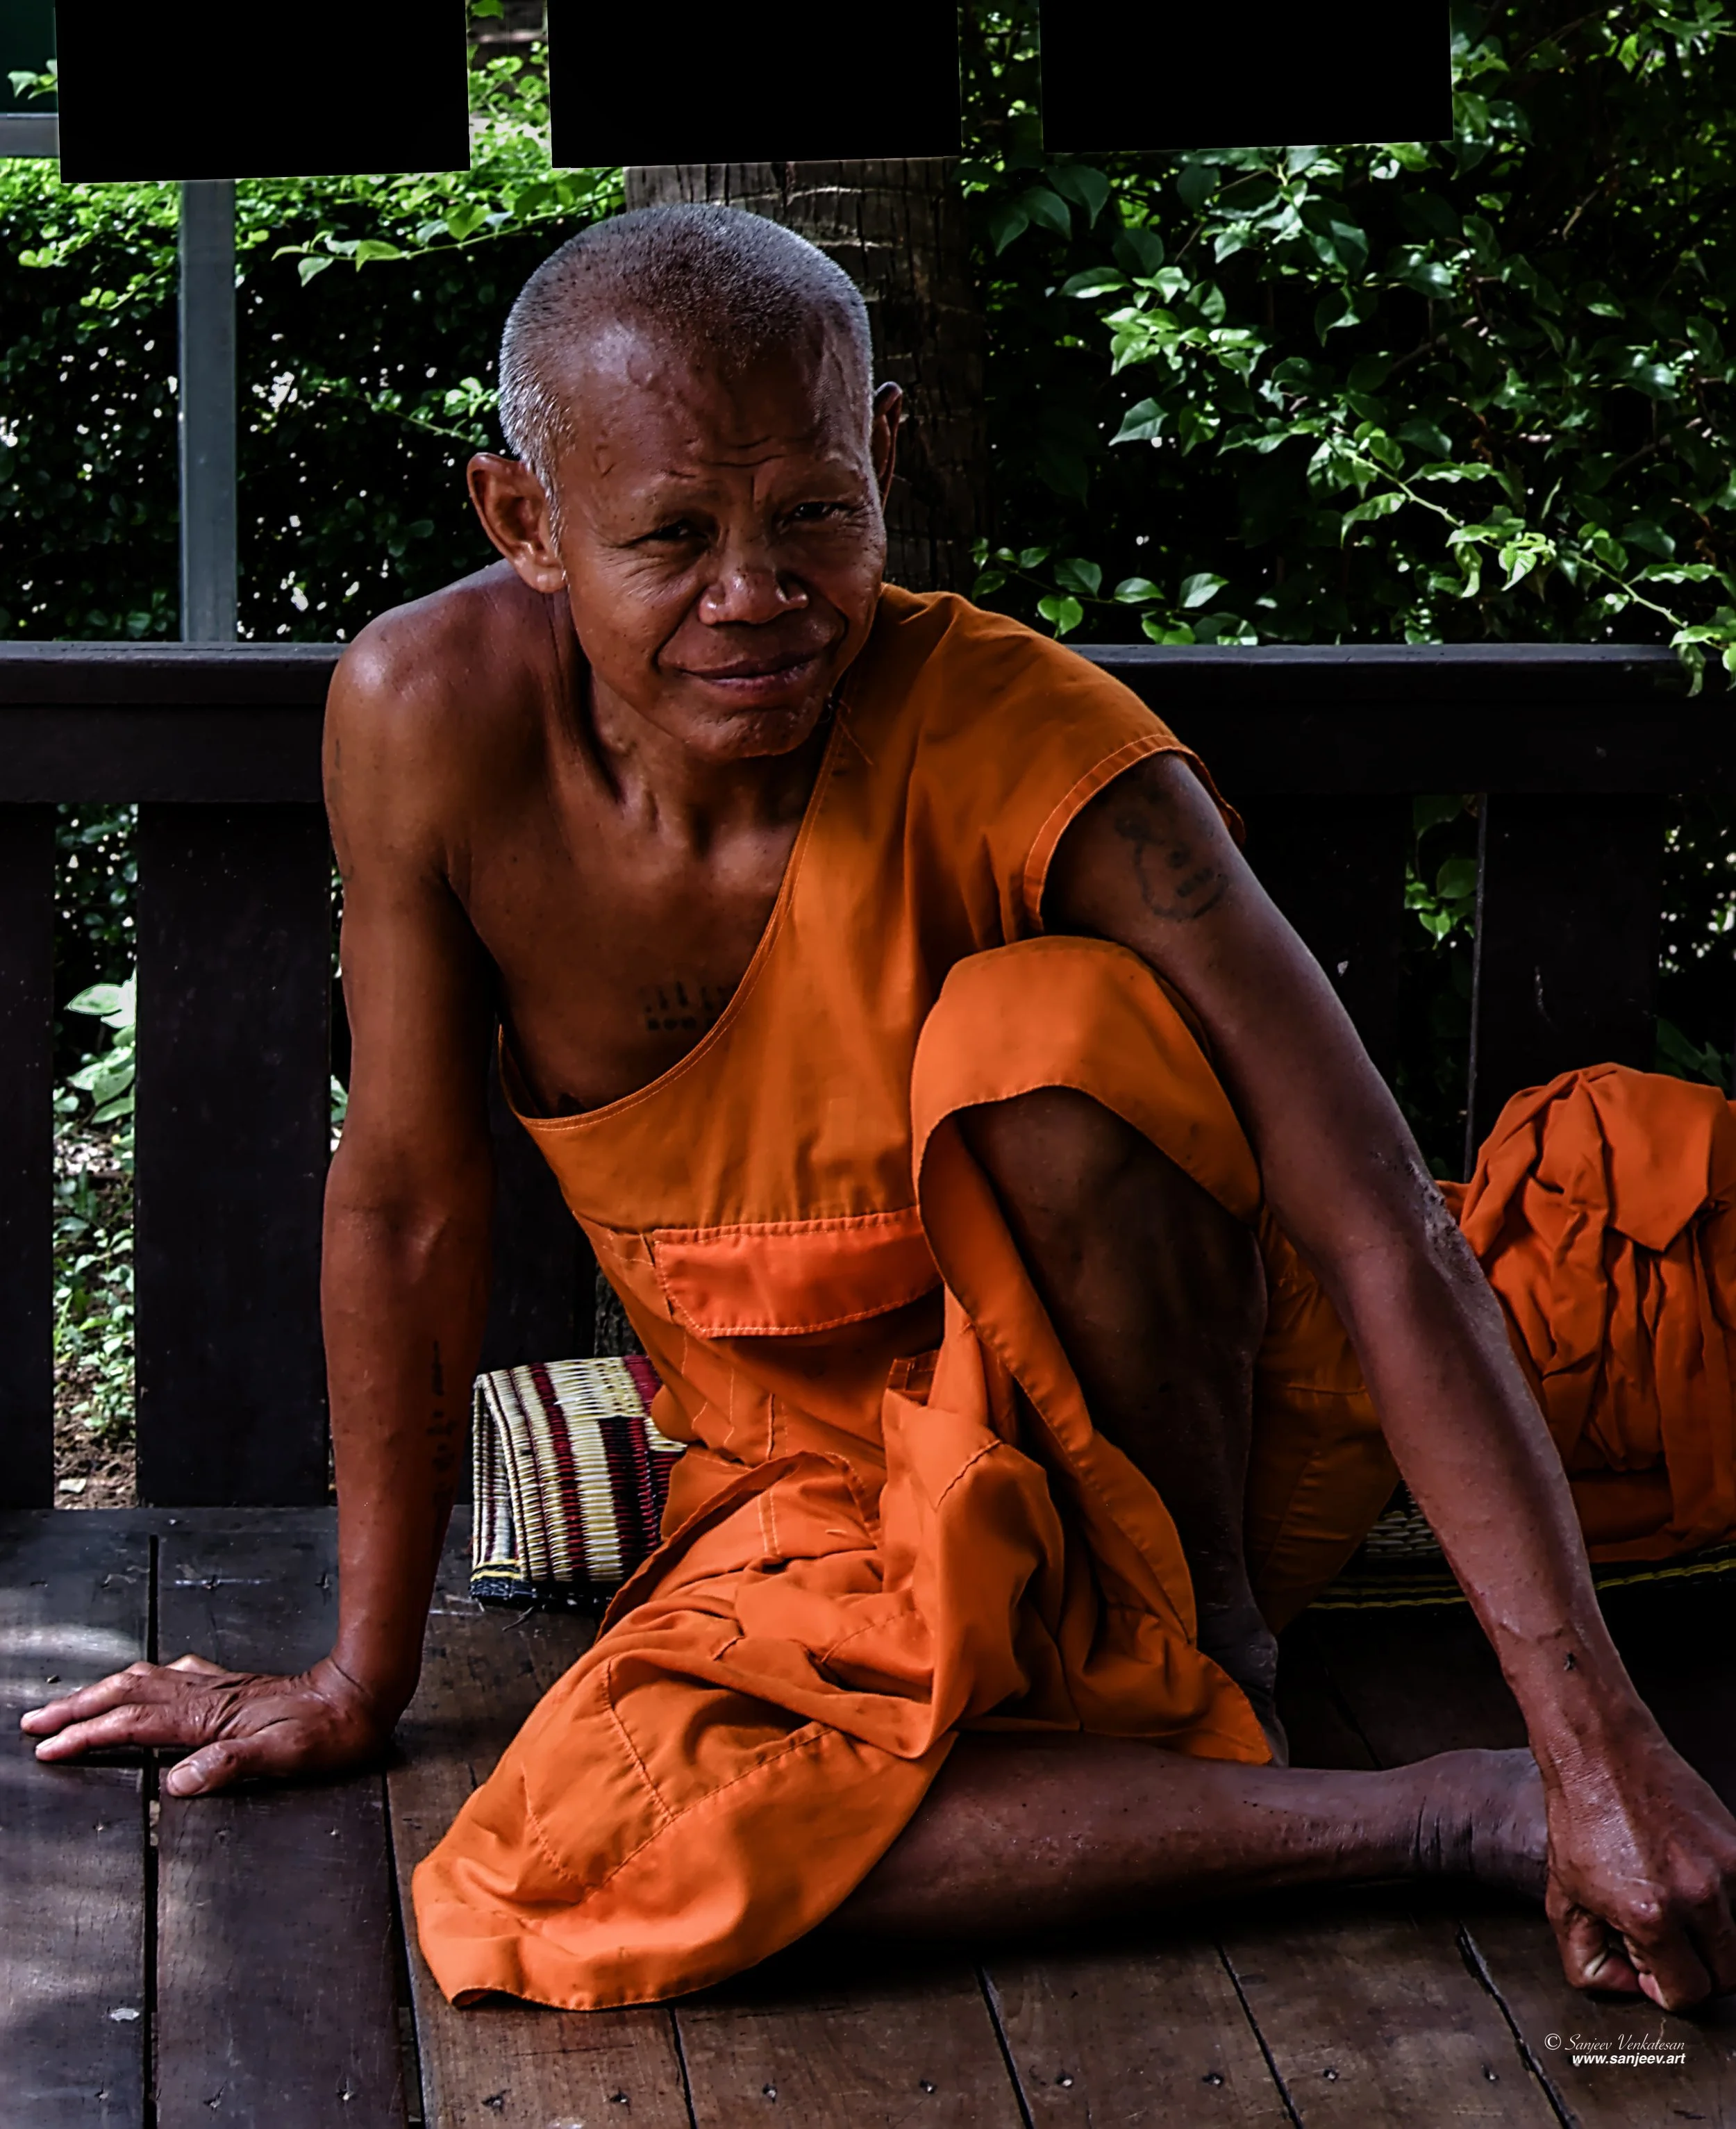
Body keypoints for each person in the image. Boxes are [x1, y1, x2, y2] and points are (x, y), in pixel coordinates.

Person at [25, 205, 1736, 2017]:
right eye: (673, 537)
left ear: (885, 463)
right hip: (815, 1487)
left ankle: (1200, 1654)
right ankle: (1417, 1821)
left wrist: (1598, 1745)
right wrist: (357, 1679)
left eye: (815, 517)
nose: (756, 596)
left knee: (1039, 1033)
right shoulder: (427, 724)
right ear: (523, 523)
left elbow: (1377, 1218)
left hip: (1195, 1450)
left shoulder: (1042, 746)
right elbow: (408, 1203)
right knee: (583, 1859)